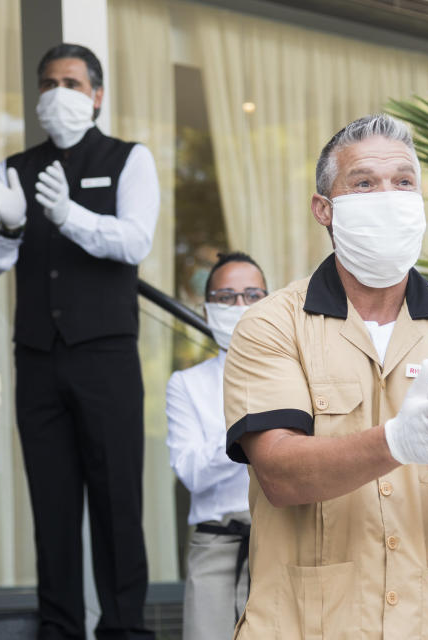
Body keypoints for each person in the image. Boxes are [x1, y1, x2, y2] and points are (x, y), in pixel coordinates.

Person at [224, 114, 428, 639]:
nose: (388, 196)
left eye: (403, 182)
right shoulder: (272, 324)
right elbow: (279, 474)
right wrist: (396, 441)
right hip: (303, 628)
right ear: (325, 209)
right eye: (364, 182)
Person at [0, 43, 159, 640]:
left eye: (72, 83)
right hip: (38, 358)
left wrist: (69, 215)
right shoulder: (13, 168)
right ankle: (59, 628)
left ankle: (125, 630)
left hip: (105, 354)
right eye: (49, 83)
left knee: (116, 501)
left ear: (97, 95)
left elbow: (135, 242)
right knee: (51, 506)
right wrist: (9, 226)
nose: (59, 94)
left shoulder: (130, 159)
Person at [166, 251, 266, 640]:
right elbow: (191, 472)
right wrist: (249, 427)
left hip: (285, 539)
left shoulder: (300, 375)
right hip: (216, 543)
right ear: (207, 311)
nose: (239, 305)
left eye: (252, 295)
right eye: (226, 297)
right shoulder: (186, 384)